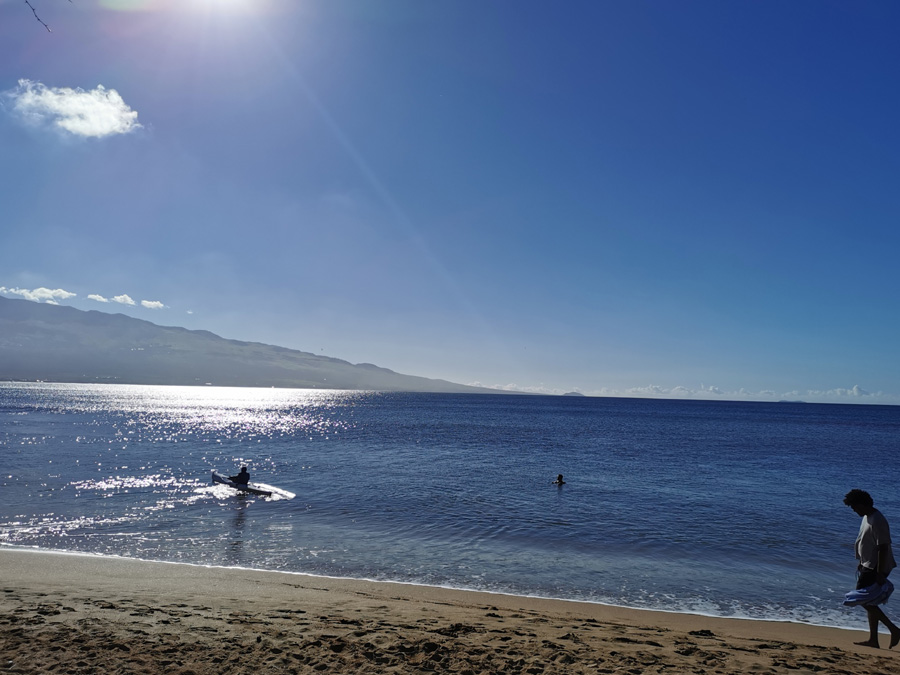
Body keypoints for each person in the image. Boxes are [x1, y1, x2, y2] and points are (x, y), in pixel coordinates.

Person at [843, 489, 900, 649]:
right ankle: (873, 639)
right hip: (868, 564)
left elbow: (883, 547)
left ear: (863, 504)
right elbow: (866, 541)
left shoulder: (878, 520)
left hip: (875, 567)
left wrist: (880, 573)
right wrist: (861, 560)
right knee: (869, 601)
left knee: (860, 599)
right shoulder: (867, 517)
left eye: (855, 507)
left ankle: (893, 629)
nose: (854, 511)